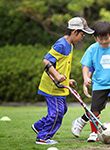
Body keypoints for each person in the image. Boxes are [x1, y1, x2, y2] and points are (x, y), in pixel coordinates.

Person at [31, 17, 94, 145]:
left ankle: (39, 126)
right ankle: (43, 137)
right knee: (57, 112)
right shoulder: (61, 44)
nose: (83, 38)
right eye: (82, 34)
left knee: (62, 109)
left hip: (60, 86)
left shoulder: (69, 45)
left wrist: (67, 79)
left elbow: (61, 65)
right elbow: (47, 61)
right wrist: (58, 76)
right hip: (52, 86)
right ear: (75, 31)